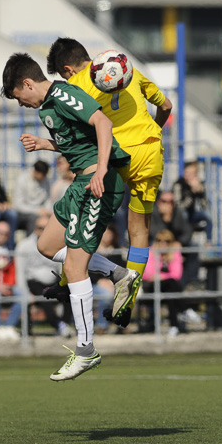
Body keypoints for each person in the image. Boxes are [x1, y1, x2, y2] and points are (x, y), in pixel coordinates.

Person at [2, 52, 137, 380]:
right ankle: (119, 274)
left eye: (19, 97)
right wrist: (45, 144)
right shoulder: (47, 108)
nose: (21, 104)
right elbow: (78, 143)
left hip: (98, 185)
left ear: (27, 83)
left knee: (75, 267)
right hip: (80, 185)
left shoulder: (63, 95)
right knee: (47, 245)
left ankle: (86, 350)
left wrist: (101, 170)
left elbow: (103, 124)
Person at [47, 37, 174, 327]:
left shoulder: (75, 86)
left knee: (83, 224)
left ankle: (67, 282)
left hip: (114, 158)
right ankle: (127, 301)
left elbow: (75, 137)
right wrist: (151, 131)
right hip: (150, 152)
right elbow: (166, 105)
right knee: (139, 231)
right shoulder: (125, 68)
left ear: (67, 69)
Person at [15, 214, 73, 338]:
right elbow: (20, 273)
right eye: (40, 228)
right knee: (45, 296)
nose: (43, 230)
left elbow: (61, 268)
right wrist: (24, 293)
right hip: (33, 282)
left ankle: (64, 324)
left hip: (53, 279)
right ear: (35, 228)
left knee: (70, 292)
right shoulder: (24, 246)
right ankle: (59, 326)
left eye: (46, 227)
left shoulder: (58, 244)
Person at [141, 229, 187, 337]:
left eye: (166, 241)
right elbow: (148, 275)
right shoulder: (151, 252)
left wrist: (161, 276)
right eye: (159, 240)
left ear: (171, 242)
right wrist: (165, 275)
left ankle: (174, 326)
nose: (162, 243)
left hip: (168, 288)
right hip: (150, 287)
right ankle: (185, 310)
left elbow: (177, 275)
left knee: (171, 290)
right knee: (171, 285)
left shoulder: (175, 253)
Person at [172, 161, 213, 244]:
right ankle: (185, 240)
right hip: (179, 214)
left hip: (192, 213)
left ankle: (209, 242)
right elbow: (179, 206)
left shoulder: (199, 184)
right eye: (187, 172)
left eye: (192, 173)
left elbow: (205, 206)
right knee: (184, 214)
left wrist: (201, 193)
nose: (188, 175)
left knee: (207, 215)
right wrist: (191, 193)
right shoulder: (179, 184)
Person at [13, 160, 53, 235]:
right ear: (36, 172)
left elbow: (48, 200)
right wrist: (37, 211)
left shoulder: (46, 181)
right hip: (24, 213)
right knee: (34, 218)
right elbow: (18, 204)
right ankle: (32, 241)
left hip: (41, 212)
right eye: (42, 175)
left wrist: (47, 211)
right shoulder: (22, 179)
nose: (44, 177)